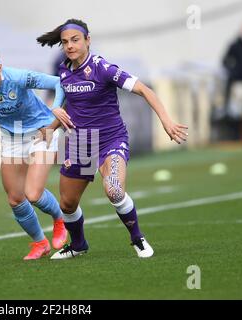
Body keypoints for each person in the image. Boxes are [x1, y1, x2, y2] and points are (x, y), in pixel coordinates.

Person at [36, 19, 188, 259]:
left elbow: (144, 90)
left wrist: (166, 121)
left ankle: (137, 238)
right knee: (67, 204)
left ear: (88, 40)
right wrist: (51, 129)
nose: (70, 45)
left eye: (75, 40)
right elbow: (71, 105)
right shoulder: (64, 70)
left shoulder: (103, 68)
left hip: (110, 140)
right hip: (80, 143)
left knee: (114, 190)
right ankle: (78, 245)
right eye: (65, 42)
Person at [0, 45, 74, 260]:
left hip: (42, 131)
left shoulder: (19, 77)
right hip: (12, 137)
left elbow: (58, 83)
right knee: (15, 198)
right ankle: (40, 243)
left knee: (33, 194)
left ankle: (59, 219)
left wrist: (56, 108)